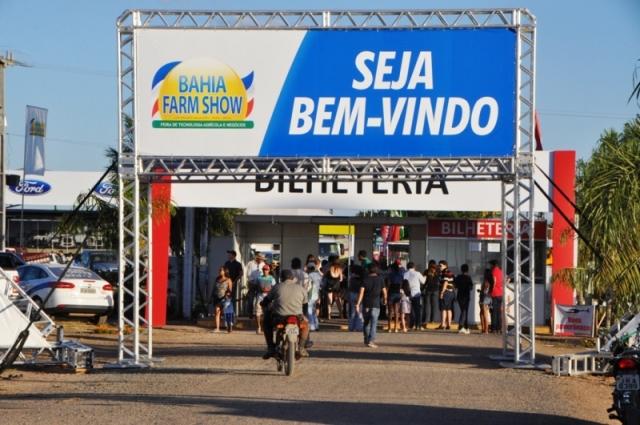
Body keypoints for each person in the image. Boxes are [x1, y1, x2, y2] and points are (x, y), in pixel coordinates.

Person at [261, 269, 310, 359]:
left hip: (279, 317)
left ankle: (271, 348)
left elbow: (267, 300)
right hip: (297, 317)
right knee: (306, 326)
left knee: (266, 322)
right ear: (293, 278)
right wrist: (304, 316)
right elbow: (305, 305)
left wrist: (263, 303)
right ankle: (302, 347)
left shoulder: (277, 287)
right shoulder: (301, 288)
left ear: (281, 278)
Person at [355, 263, 387, 348]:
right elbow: (384, 291)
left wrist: (358, 303)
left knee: (366, 323)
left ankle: (366, 339)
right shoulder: (381, 279)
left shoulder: (365, 279)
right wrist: (385, 299)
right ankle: (371, 341)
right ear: (377, 270)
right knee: (374, 323)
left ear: (368, 270)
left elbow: (361, 292)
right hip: (376, 305)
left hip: (366, 304)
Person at [404, 262, 425, 331]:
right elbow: (423, 281)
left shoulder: (405, 274)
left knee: (410, 310)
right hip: (416, 293)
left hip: (408, 294)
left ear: (407, 267)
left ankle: (411, 325)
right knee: (417, 310)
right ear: (414, 267)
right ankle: (418, 325)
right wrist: (425, 276)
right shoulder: (417, 273)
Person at [255, 264, 276, 334]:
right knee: (258, 312)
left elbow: (274, 288)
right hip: (260, 296)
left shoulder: (272, 278)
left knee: (269, 312)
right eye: (264, 269)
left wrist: (268, 290)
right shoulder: (258, 278)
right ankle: (258, 327)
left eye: (266, 269)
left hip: (268, 296)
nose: (265, 271)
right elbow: (256, 286)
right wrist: (260, 289)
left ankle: (268, 327)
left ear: (269, 270)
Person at [212, 266, 233, 333]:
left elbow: (230, 290)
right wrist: (211, 296)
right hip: (217, 298)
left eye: (221, 270)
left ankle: (229, 326)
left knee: (226, 313)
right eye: (219, 270)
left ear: (225, 271)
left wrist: (228, 294)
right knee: (217, 311)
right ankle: (217, 328)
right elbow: (214, 288)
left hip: (225, 299)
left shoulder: (228, 280)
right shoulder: (217, 279)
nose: (219, 271)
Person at [246, 253, 266, 318]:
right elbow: (248, 274)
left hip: (260, 283)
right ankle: (250, 314)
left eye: (262, 259)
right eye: (260, 259)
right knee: (250, 299)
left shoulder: (263, 264)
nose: (261, 260)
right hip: (252, 283)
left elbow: (264, 274)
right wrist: (252, 281)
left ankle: (259, 313)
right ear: (257, 258)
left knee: (260, 299)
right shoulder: (250, 263)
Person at [455, 264, 473, 334]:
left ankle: (466, 327)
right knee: (465, 311)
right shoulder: (468, 277)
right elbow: (471, 287)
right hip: (466, 296)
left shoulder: (458, 277)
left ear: (461, 269)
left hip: (459, 296)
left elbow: (455, 286)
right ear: (467, 270)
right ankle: (461, 326)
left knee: (463, 311)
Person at [386, 261, 404, 332]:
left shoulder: (390, 275)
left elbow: (388, 285)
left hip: (391, 293)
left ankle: (389, 327)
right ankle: (396, 328)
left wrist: (385, 295)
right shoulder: (401, 274)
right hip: (398, 293)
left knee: (390, 311)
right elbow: (402, 284)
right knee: (396, 311)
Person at [438, 260, 455, 330]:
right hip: (451, 293)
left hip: (446, 293)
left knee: (443, 309)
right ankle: (449, 324)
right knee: (449, 309)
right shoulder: (450, 272)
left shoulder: (445, 272)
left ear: (445, 265)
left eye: (440, 266)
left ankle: (443, 324)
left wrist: (442, 292)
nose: (439, 267)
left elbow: (445, 283)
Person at [422, 260, 440, 327]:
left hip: (428, 290)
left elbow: (424, 282)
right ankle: (433, 320)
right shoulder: (438, 271)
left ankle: (426, 320)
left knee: (427, 306)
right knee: (435, 305)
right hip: (436, 290)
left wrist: (422, 289)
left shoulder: (426, 271)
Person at [347, 264, 364, 331]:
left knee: (353, 312)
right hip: (359, 294)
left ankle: (351, 327)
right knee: (359, 311)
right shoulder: (362, 278)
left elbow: (349, 287)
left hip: (352, 294)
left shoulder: (352, 278)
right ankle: (359, 327)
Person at [307, 262, 322, 331]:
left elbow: (308, 286)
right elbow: (322, 285)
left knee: (309, 310)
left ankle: (312, 326)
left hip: (311, 294)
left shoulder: (309, 275)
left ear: (309, 268)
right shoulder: (318, 275)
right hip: (317, 294)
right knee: (314, 311)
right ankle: (316, 325)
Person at [489, 259, 504, 333]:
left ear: (493, 265)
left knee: (494, 312)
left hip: (495, 293)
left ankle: (494, 328)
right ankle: (499, 327)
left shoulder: (494, 271)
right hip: (501, 293)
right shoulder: (501, 271)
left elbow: (494, 281)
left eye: (491, 265)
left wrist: (491, 290)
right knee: (499, 312)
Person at [479, 268, 493, 334]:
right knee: (483, 313)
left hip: (484, 298)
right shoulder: (491, 281)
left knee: (483, 314)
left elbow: (484, 291)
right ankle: (484, 329)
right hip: (488, 298)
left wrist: (480, 291)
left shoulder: (486, 281)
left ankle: (485, 329)